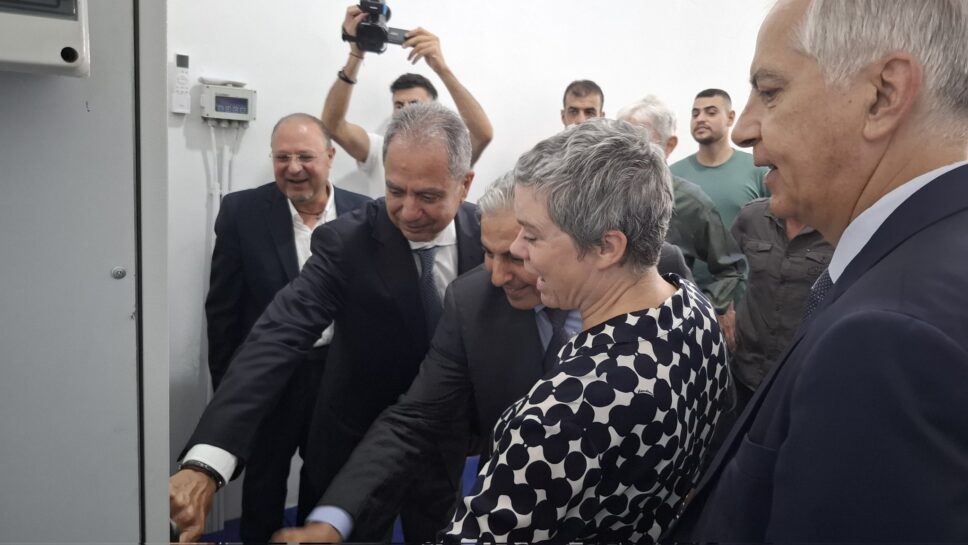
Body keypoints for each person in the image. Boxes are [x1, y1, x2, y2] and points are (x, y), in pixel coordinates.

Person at [673, 0, 968, 541]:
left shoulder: (889, 338)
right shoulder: (928, 258)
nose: (744, 129)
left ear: (883, 95)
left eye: (770, 91)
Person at [270, 174, 693, 543]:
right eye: (489, 253)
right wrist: (333, 518)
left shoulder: (652, 270)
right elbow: (415, 417)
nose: (497, 275)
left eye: (516, 256)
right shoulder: (472, 301)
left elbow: (695, 382)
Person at [169, 102, 483, 544]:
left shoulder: (489, 240)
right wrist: (206, 461)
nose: (409, 211)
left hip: (445, 444)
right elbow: (278, 335)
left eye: (428, 196)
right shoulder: (347, 241)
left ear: (464, 184)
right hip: (354, 445)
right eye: (395, 191)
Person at [444, 119, 730, 543]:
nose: (518, 249)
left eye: (532, 236)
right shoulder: (695, 311)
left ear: (606, 247)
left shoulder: (562, 413)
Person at [204, 113, 369, 542]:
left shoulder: (364, 213)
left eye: (305, 157)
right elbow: (223, 310)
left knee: (327, 479)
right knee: (263, 484)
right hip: (268, 377)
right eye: (282, 157)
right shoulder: (242, 212)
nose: (293, 168)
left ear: (330, 157)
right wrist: (229, 392)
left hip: (336, 375)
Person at [323, 4, 493, 197]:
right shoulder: (379, 150)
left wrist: (442, 68)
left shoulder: (450, 151)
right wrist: (356, 53)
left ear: (434, 109)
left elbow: (483, 134)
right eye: (399, 105)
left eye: (415, 104)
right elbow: (333, 125)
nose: (405, 111)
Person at [617, 95, 747, 320]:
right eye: (621, 139)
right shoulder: (604, 196)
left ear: (669, 145)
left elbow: (731, 269)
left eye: (639, 139)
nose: (627, 150)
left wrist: (699, 312)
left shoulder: (689, 201)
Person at [729, 197, 832, 410]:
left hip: (798, 377)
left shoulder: (835, 226)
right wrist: (726, 309)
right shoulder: (752, 217)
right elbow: (727, 268)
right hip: (744, 369)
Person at [670, 88, 769, 230]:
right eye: (695, 114)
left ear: (730, 117)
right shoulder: (672, 175)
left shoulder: (759, 169)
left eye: (711, 113)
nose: (700, 119)